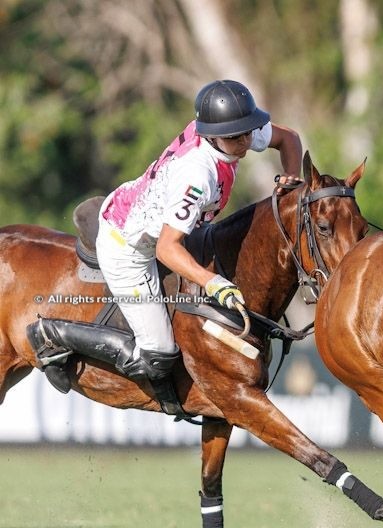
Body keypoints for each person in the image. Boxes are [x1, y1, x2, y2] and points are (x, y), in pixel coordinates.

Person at [40, 79, 302, 418]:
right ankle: (54, 334)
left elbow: (289, 139)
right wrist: (211, 282)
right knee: (159, 351)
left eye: (249, 132)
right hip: (129, 245)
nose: (247, 140)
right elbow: (167, 248)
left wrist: (291, 179)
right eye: (237, 136)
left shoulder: (229, 130)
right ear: (212, 136)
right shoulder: (197, 175)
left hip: (160, 219)